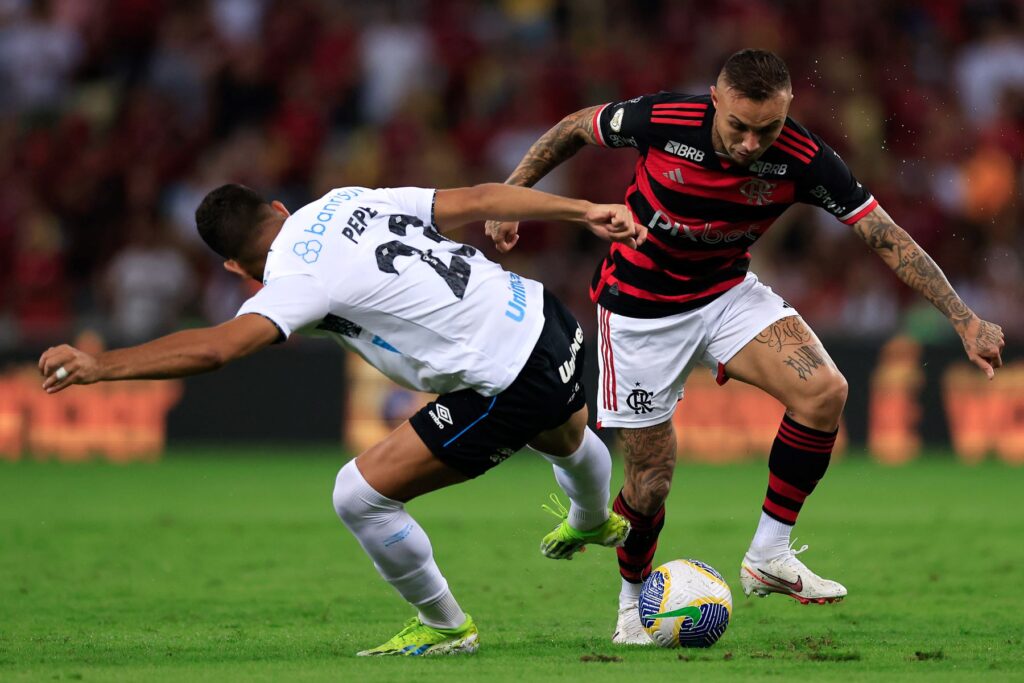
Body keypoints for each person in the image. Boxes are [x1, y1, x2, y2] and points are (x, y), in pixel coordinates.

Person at [486, 48, 1005, 644]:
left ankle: (769, 554)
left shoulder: (804, 159)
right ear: (714, 99)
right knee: (650, 483)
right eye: (739, 126)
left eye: (769, 128)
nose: (752, 143)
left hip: (726, 294)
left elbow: (884, 234)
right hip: (637, 311)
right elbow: (576, 126)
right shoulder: (663, 119)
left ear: (788, 110)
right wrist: (512, 193)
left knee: (824, 392)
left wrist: (964, 320)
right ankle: (632, 606)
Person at [38, 182, 645, 656]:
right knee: (564, 433)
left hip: (504, 371)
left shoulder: (294, 280)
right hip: (541, 310)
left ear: (233, 267)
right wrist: (584, 209)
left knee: (358, 495)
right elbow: (482, 199)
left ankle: (444, 626)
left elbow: (218, 347)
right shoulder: (348, 199)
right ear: (278, 207)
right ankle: (592, 522)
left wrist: (100, 364)